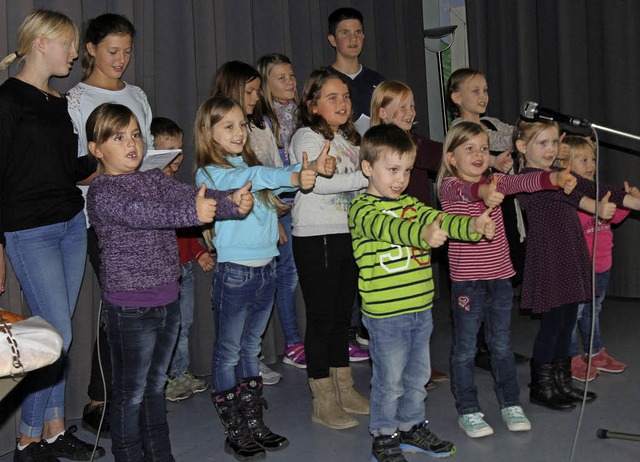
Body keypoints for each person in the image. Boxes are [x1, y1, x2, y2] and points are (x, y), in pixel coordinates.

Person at [86, 103, 251, 462]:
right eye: (118, 137)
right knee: (130, 395)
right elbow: (145, 215)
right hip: (130, 308)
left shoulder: (153, 177)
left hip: (167, 300)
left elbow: (190, 196)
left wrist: (230, 202)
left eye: (134, 135)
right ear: (96, 149)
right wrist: (194, 212)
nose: (131, 144)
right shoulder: (103, 191)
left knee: (154, 390)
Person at [194, 94, 332, 461]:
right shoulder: (209, 173)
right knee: (228, 353)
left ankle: (253, 422)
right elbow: (252, 178)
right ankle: (235, 428)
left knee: (249, 350)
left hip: (266, 268)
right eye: (229, 126)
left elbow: (273, 188)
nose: (240, 132)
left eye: (242, 124)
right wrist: (289, 174)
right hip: (235, 274)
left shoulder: (252, 166)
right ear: (208, 132)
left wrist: (305, 175)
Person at [349, 124, 496, 461]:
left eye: (406, 171)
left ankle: (411, 426)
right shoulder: (362, 210)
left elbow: (444, 219)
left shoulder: (413, 205)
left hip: (419, 310)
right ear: (368, 168)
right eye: (392, 170)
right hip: (385, 315)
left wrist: (472, 226)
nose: (400, 179)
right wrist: (421, 234)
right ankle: (384, 435)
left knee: (416, 377)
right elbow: (391, 228)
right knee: (390, 381)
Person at [0, 10, 103, 462]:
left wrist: (104, 159)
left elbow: (65, 170)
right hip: (29, 231)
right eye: (69, 44)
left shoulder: (58, 102)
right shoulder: (7, 101)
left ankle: (55, 432)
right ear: (41, 43)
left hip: (68, 226)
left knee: (59, 337)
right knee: (54, 335)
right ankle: (27, 440)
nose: (74, 53)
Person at [437, 121, 576, 438]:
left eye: (484, 148)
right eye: (469, 148)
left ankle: (510, 403)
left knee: (501, 346)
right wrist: (485, 191)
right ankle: (468, 410)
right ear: (451, 158)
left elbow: (525, 182)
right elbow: (469, 190)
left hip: (500, 279)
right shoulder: (449, 187)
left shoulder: (499, 181)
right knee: (464, 350)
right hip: (468, 284)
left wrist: (554, 177)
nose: (479, 154)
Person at [513, 117, 640, 411]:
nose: (550, 148)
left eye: (554, 142)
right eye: (542, 142)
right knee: (553, 325)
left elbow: (597, 190)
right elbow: (556, 190)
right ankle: (542, 385)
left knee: (568, 320)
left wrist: (630, 199)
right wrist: (589, 202)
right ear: (522, 146)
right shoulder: (527, 180)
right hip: (550, 260)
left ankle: (562, 379)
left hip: (573, 257)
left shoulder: (562, 172)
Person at [66, 13, 153, 436]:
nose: (121, 59)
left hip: (143, 212)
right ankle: (101, 399)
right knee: (121, 305)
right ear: (91, 50)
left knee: (143, 304)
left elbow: (145, 150)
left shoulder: (136, 94)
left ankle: (132, 393)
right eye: (113, 51)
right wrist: (112, 168)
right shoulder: (76, 100)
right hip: (101, 216)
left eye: (127, 52)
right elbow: (75, 166)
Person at [289, 67, 371, 430]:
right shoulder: (307, 136)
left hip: (347, 233)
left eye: (346, 96)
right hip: (316, 236)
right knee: (321, 318)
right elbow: (320, 185)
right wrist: (371, 174)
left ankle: (344, 387)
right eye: (332, 97)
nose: (342, 103)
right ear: (313, 105)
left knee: (342, 317)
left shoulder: (351, 139)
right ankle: (322, 398)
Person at [446, 67, 529, 371]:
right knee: (478, 279)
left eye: (485, 90)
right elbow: (493, 145)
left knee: (501, 274)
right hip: (475, 211)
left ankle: (496, 342)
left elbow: (516, 136)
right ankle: (481, 345)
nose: (483, 96)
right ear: (457, 97)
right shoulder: (460, 130)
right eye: (475, 91)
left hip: (502, 206)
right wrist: (498, 159)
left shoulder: (492, 123)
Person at [370, 80, 447, 389]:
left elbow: (449, 156)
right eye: (401, 106)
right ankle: (396, 372)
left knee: (418, 302)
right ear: (382, 111)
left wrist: (491, 160)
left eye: (412, 106)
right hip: (388, 237)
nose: (409, 111)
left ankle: (419, 368)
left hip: (419, 233)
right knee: (394, 307)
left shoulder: (416, 142)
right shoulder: (374, 147)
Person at [557, 136, 632, 381]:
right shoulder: (569, 194)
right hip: (578, 269)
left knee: (593, 310)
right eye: (583, 160)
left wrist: (628, 201)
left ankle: (594, 352)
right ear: (566, 164)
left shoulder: (599, 189)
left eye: (592, 159)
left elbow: (617, 217)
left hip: (602, 265)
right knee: (575, 313)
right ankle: (570, 358)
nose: (590, 165)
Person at [151, 117, 213, 401]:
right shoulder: (149, 189)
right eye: (168, 150)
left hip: (184, 268)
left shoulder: (179, 186)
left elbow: (186, 230)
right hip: (162, 271)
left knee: (183, 325)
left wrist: (199, 252)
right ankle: (163, 379)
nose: (176, 156)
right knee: (164, 327)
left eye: (179, 149)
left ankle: (180, 373)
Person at [255, 53, 307, 369]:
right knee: (284, 276)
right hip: (279, 204)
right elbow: (261, 170)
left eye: (291, 76)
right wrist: (274, 214)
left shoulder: (301, 115)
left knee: (297, 274)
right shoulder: (261, 122)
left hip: (304, 201)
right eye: (281, 78)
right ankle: (291, 342)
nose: (290, 82)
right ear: (266, 84)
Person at [328, 7, 384, 128]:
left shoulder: (377, 80)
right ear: (333, 40)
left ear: (363, 36)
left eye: (358, 32)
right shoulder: (323, 80)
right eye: (345, 33)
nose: (353, 39)